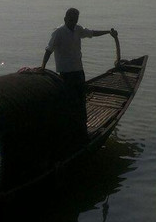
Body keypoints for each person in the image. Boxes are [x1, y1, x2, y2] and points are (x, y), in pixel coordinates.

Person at [40, 8, 117, 138]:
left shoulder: (78, 29)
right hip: (66, 73)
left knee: (81, 100)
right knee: (69, 102)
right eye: (71, 19)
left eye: (75, 20)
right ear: (65, 19)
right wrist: (43, 66)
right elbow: (49, 50)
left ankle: (81, 129)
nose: (73, 22)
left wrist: (108, 32)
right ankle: (69, 131)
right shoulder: (58, 33)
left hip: (78, 71)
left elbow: (92, 33)